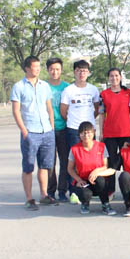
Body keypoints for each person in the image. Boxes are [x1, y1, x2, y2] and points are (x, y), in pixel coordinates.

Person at [10, 55, 57, 211]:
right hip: (31, 132)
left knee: (45, 166)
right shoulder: (18, 87)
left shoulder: (45, 86)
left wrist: (51, 126)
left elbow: (49, 107)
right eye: (34, 67)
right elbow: (16, 111)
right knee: (28, 166)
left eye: (39, 66)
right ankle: (29, 198)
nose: (37, 69)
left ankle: (44, 194)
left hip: (47, 131)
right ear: (27, 68)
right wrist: (24, 131)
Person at [60, 59, 100, 204]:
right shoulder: (68, 90)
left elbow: (97, 109)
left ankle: (91, 189)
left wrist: (88, 125)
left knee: (91, 161)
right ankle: (74, 192)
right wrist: (73, 122)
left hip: (90, 131)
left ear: (88, 73)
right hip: (73, 130)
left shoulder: (93, 89)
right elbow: (63, 111)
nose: (82, 73)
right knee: (75, 162)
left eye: (84, 71)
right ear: (74, 72)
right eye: (79, 70)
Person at [66, 121, 117, 215]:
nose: (86, 135)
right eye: (83, 133)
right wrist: (78, 180)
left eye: (89, 132)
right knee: (85, 193)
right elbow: (70, 169)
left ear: (93, 133)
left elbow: (105, 166)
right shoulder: (74, 149)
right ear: (79, 134)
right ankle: (85, 204)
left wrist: (96, 171)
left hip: (97, 178)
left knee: (101, 181)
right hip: (83, 180)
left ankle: (105, 204)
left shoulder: (101, 146)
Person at [99, 68, 130, 194]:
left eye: (116, 75)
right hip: (110, 133)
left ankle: (128, 189)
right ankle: (110, 190)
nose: (114, 78)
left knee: (127, 162)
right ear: (108, 78)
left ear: (121, 77)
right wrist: (101, 132)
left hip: (126, 133)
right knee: (110, 162)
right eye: (111, 76)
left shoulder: (129, 93)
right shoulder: (103, 94)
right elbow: (102, 114)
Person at [46, 57, 70, 202]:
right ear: (47, 70)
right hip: (48, 129)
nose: (55, 72)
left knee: (65, 161)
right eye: (52, 69)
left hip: (64, 128)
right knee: (50, 162)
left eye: (57, 69)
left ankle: (62, 190)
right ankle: (50, 191)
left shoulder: (67, 87)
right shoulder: (43, 86)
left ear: (61, 70)